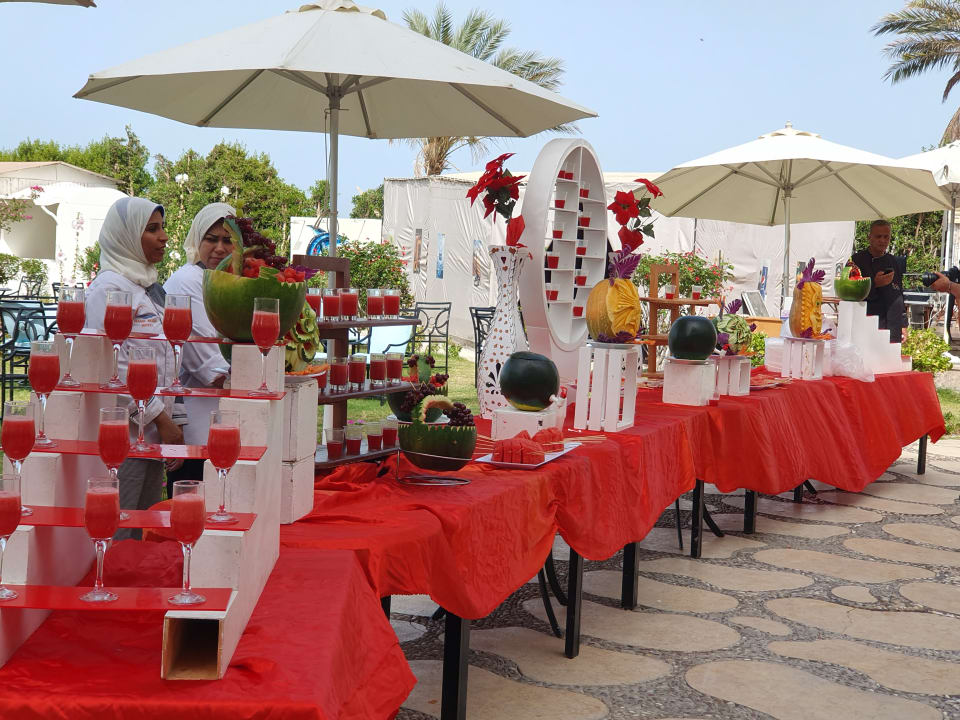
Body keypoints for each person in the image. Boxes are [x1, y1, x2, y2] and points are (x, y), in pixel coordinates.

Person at [85, 197, 185, 538]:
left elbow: (167, 361)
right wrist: (161, 420)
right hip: (124, 438)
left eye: (163, 228)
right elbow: (114, 368)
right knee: (120, 527)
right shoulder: (108, 290)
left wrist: (172, 423)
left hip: (153, 435)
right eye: (152, 229)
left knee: (143, 527)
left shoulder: (148, 289)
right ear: (125, 236)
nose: (164, 237)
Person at [163, 202, 235, 493]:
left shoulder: (230, 281)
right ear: (197, 240)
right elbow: (212, 368)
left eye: (228, 240)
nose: (219, 248)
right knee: (193, 507)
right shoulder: (186, 282)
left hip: (224, 426)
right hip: (197, 426)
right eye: (211, 239)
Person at [851, 219, 907, 342]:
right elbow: (851, 293)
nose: (882, 240)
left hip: (893, 324)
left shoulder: (894, 261)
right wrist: (874, 284)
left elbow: (899, 293)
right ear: (869, 237)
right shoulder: (856, 261)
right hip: (868, 325)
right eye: (878, 236)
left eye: (886, 237)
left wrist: (903, 324)